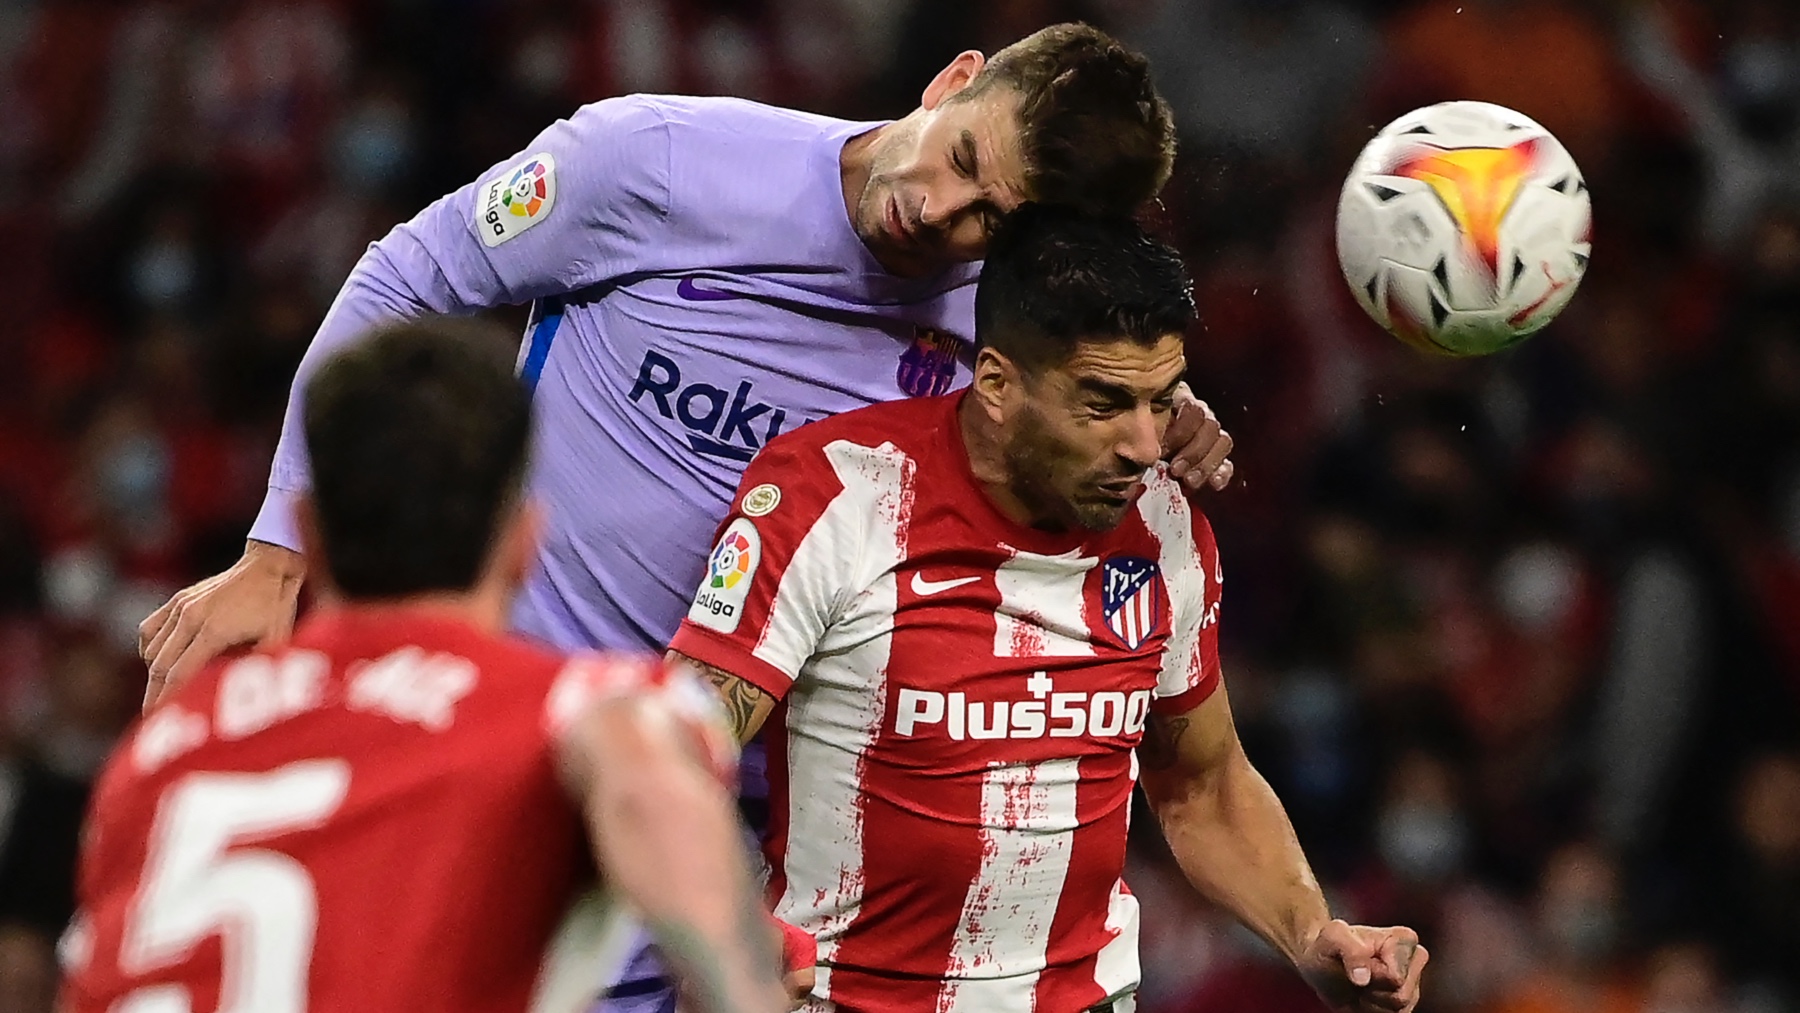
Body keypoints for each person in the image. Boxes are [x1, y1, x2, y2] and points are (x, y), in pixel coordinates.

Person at [136, 22, 1236, 706]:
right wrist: (279, 546)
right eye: (959, 160)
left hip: (764, 822)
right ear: (952, 82)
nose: (934, 210)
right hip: (520, 725)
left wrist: (1162, 416)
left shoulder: (1007, 325)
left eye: (990, 218)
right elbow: (402, 282)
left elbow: (1075, 435)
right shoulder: (654, 163)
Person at [667, 205, 1430, 1013]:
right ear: (996, 383)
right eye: (1104, 402)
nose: (1143, 445)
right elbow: (669, 755)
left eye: (1161, 400)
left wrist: (1311, 934)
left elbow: (1201, 784)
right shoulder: (840, 494)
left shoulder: (1166, 525)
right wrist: (724, 930)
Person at [63, 322, 790, 1013]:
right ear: (525, 539)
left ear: (308, 536)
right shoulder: (571, 705)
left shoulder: (161, 750)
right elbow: (640, 777)